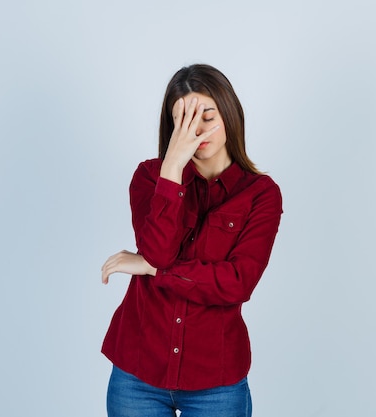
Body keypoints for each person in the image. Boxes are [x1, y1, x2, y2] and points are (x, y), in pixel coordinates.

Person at [100, 64, 282, 417]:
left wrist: (155, 271)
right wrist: (171, 168)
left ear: (229, 113)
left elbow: (236, 284)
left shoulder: (261, 195)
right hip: (138, 372)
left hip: (216, 381)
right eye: (182, 121)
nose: (195, 131)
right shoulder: (149, 177)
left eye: (206, 116)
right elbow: (158, 251)